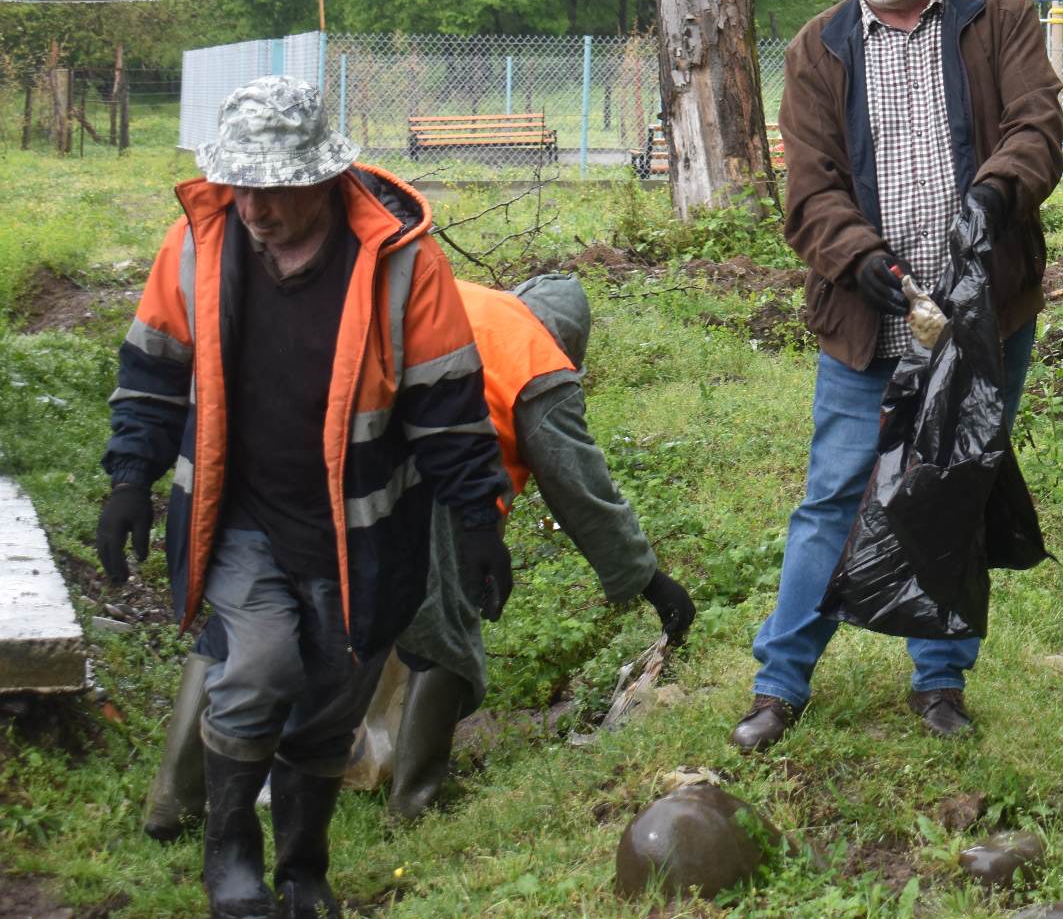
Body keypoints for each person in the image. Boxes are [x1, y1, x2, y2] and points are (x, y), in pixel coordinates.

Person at [94, 77, 513, 919]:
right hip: (240, 519)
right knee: (257, 665)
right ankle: (231, 860)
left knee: (332, 696)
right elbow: (152, 371)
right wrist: (129, 481)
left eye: (274, 189)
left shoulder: (401, 263)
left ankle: (303, 867)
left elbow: (448, 404)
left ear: (322, 179)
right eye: (239, 184)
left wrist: (477, 518)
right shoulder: (195, 248)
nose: (253, 207)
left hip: (363, 538)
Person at [141, 273, 699, 834]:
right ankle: (417, 803)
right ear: (569, 341)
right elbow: (581, 490)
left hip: (310, 433)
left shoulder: (453, 294)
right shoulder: (537, 356)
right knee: (445, 635)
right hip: (424, 476)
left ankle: (172, 800)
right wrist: (649, 580)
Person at [735, 0, 1063, 750]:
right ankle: (779, 685)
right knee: (834, 495)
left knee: (949, 482)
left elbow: (1036, 129)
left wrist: (994, 197)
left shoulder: (1002, 19)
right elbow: (808, 191)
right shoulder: (818, 49)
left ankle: (939, 684)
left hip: (979, 314)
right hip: (867, 315)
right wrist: (860, 259)